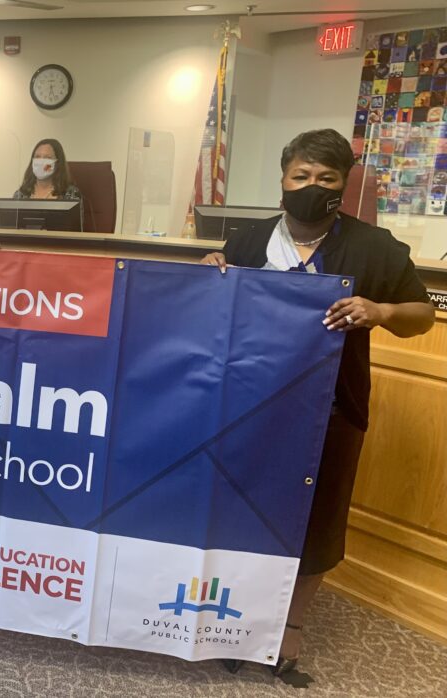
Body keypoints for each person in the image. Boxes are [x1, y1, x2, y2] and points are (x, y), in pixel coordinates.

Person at [202, 129, 434, 682]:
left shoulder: (374, 247)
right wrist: (210, 271)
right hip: (247, 408)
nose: (311, 187)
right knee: (244, 516)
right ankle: (237, 623)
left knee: (318, 522)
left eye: (326, 179)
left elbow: (421, 315)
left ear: (343, 186)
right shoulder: (248, 242)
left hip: (330, 412)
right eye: (300, 176)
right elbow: (214, 318)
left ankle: (289, 633)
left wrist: (379, 310)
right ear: (283, 181)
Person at [13, 139, 81, 201]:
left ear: (57, 163)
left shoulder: (71, 193)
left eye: (47, 157)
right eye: (37, 157)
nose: (41, 161)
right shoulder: (20, 194)